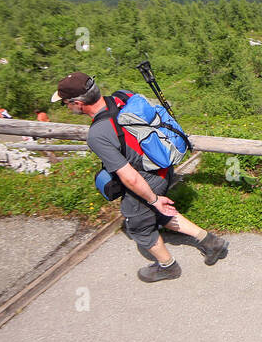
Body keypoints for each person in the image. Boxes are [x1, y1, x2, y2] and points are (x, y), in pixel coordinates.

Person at [52, 71, 229, 283]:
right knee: (154, 211)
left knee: (137, 223)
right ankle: (211, 243)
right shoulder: (123, 96)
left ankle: (168, 267)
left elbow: (130, 177)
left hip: (147, 177)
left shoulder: (98, 133)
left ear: (78, 103)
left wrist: (154, 198)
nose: (66, 107)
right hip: (164, 163)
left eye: (65, 103)